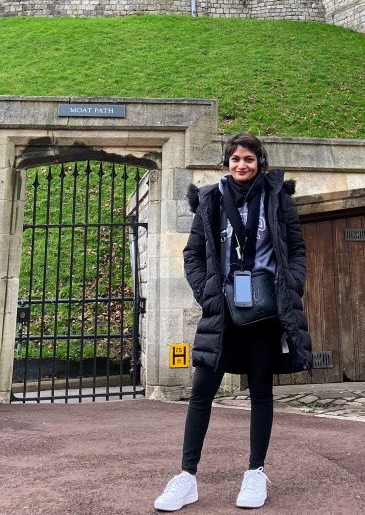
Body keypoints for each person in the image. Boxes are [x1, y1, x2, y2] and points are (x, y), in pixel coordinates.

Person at [154, 132, 312, 511]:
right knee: (201, 391)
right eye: (236, 159)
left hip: (265, 312)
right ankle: (186, 477)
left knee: (260, 390)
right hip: (222, 311)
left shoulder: (278, 198)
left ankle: (255, 472)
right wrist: (207, 292)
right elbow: (193, 254)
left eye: (249, 159)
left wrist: (291, 284)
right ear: (226, 162)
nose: (242, 165)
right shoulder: (210, 200)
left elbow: (296, 249)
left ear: (260, 163)